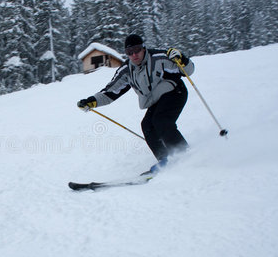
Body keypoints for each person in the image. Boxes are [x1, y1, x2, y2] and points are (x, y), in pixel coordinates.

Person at [77, 34, 194, 174]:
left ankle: (184, 155)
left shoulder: (159, 58)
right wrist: (92, 101)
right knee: (147, 126)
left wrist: (182, 59)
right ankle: (164, 159)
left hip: (175, 92)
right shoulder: (127, 70)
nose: (134, 55)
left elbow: (188, 71)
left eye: (137, 49)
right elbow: (111, 91)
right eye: (129, 52)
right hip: (156, 100)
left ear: (143, 48)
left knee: (161, 121)